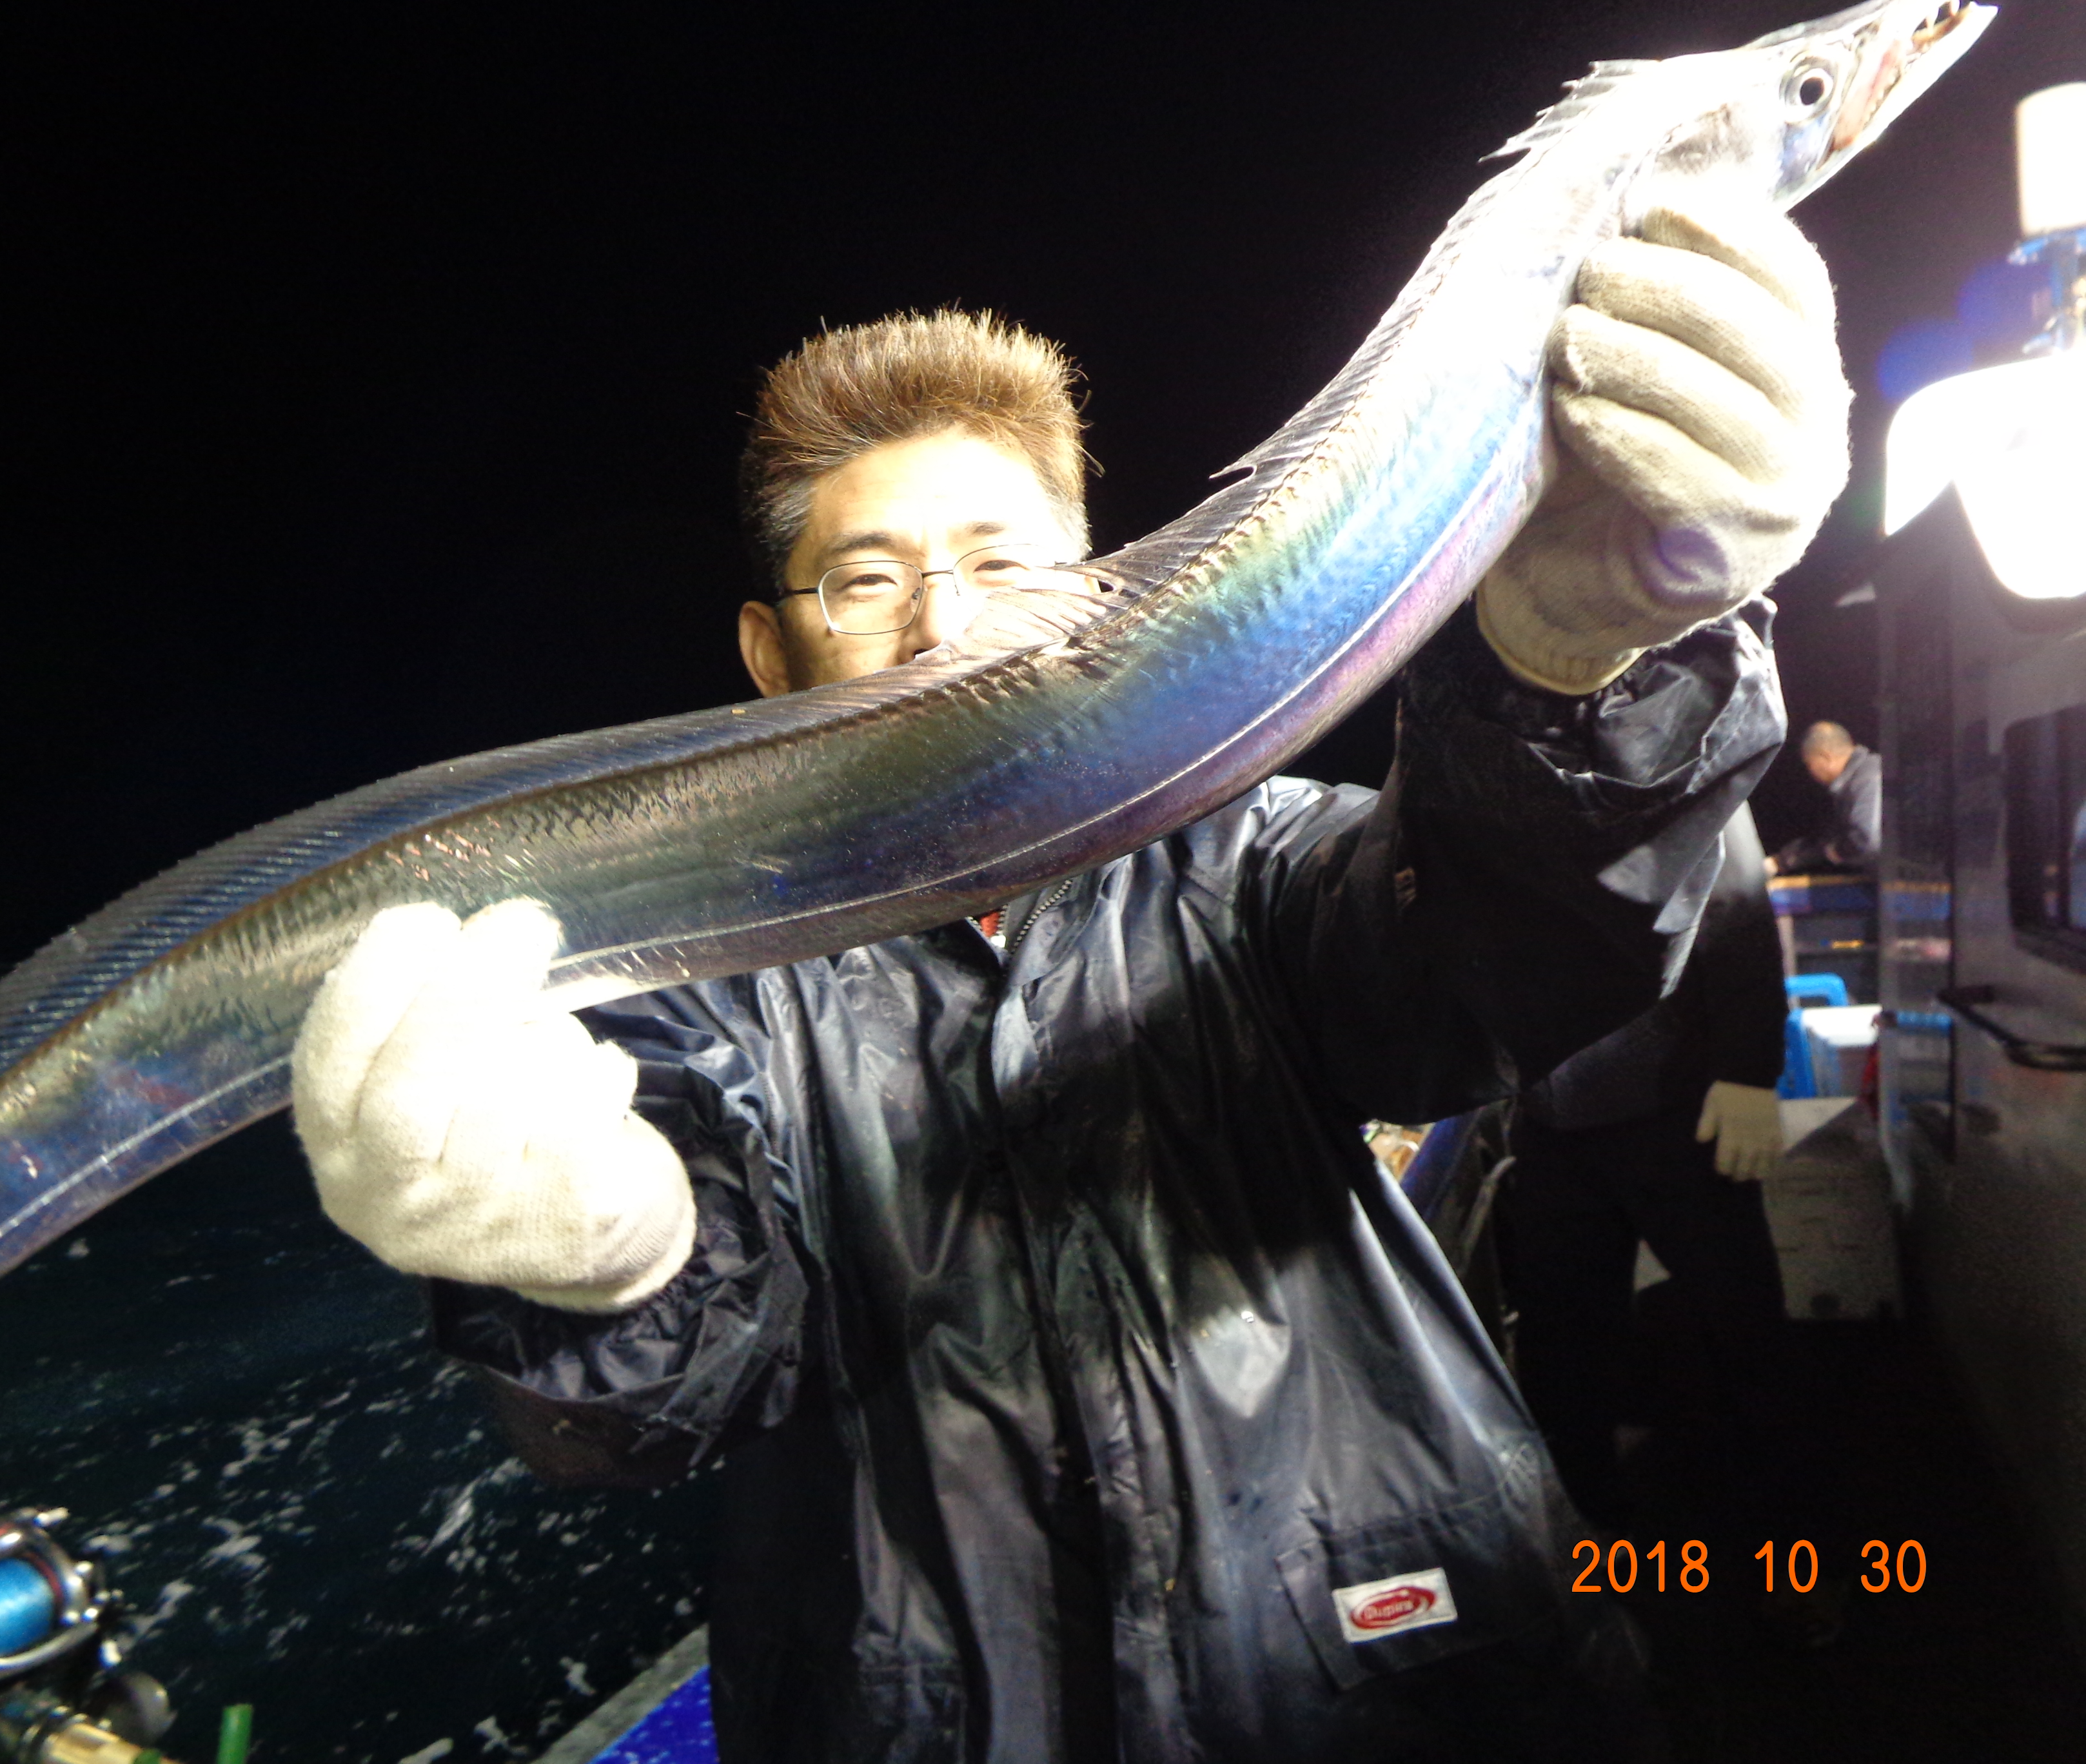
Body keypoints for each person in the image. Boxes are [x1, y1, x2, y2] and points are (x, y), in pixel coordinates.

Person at [293, 189, 1847, 1761]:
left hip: (1404, 1689)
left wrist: (1584, 667)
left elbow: (1481, 962)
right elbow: (662, 1391)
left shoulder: (1258, 861)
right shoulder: (698, 990)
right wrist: (599, 1250)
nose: (945, 626)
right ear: (772, 657)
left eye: (1002, 561)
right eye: (865, 580)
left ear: (1099, 601)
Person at [1495, 804, 1793, 1533]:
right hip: (1548, 1119)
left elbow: (1738, 910)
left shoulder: (1681, 752)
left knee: (1738, 1325)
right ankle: (1587, 1526)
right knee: (1561, 1338)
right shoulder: (1482, 773)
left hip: (1677, 1106)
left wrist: (1749, 1071)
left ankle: (1785, 1530)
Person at [1766, 720, 1882, 874]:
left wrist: (1836, 852)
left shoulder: (1869, 779)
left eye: (1809, 764)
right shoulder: (1856, 781)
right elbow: (1829, 839)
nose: (1810, 772)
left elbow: (1867, 840)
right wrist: (1783, 861)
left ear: (1825, 757)